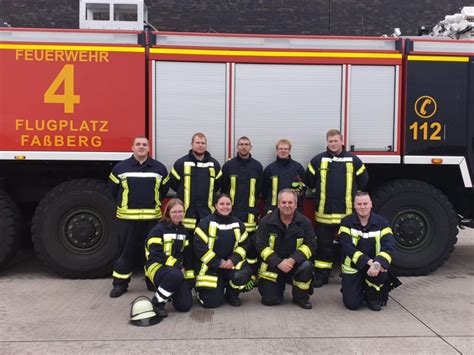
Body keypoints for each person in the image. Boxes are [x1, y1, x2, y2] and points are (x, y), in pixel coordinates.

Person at [305, 129, 369, 288]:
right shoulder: (317, 160)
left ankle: (349, 274)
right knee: (323, 247)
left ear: (342, 141)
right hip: (324, 213)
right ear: (327, 142)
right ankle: (322, 276)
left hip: (347, 215)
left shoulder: (354, 160)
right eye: (330, 141)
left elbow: (364, 182)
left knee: (347, 246)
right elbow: (310, 182)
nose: (333, 144)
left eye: (335, 141)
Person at [108, 136, 168, 298]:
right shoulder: (120, 168)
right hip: (127, 219)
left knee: (152, 253)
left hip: (152, 220)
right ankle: (120, 284)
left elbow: (163, 191)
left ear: (149, 148)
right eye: (138, 144)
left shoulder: (159, 169)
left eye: (144, 145)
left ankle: (152, 281)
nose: (141, 147)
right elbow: (113, 191)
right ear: (132, 147)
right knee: (125, 252)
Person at [255, 189, 316, 309]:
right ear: (278, 204)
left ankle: (301, 297)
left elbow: (311, 245)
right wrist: (278, 262)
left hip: (295, 264)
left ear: (296, 204)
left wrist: (292, 260)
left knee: (307, 266)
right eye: (283, 202)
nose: (287, 205)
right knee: (270, 300)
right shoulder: (265, 222)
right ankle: (277, 288)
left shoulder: (305, 222)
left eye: (290, 202)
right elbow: (260, 245)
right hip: (273, 266)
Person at [338, 192, 397, 311]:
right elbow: (347, 247)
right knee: (352, 304)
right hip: (353, 267)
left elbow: (389, 246)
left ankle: (372, 297)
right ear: (354, 206)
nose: (362, 207)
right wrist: (369, 262)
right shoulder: (346, 222)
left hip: (375, 267)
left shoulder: (382, 223)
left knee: (381, 272)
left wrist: (378, 263)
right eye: (359, 204)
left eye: (365, 203)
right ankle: (351, 287)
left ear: (371, 205)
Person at [193, 193, 252, 308]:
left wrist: (233, 260)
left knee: (243, 274)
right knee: (211, 303)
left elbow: (244, 244)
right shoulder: (205, 223)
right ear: (215, 205)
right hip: (211, 266)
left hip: (231, 265)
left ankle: (232, 294)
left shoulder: (238, 223)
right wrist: (218, 262)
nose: (225, 207)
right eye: (221, 204)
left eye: (228, 204)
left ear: (232, 205)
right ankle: (204, 291)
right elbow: (199, 247)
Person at [221, 136, 263, 275]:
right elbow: (224, 189)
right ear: (237, 147)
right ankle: (232, 272)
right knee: (230, 245)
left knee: (251, 246)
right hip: (231, 214)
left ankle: (252, 273)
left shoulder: (257, 166)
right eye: (241, 144)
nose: (244, 147)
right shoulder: (229, 166)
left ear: (251, 147)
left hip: (250, 215)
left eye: (246, 144)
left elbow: (261, 190)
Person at [144, 199, 193, 318]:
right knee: (175, 275)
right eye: (174, 212)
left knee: (185, 306)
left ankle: (169, 291)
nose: (178, 214)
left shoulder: (184, 231)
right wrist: (177, 264)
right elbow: (155, 254)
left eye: (180, 211)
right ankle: (157, 304)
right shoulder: (157, 230)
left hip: (175, 270)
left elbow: (187, 256)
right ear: (168, 213)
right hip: (156, 266)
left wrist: (190, 279)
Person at [168, 132, 222, 232]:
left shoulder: (214, 164)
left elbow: (218, 185)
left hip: (207, 213)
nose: (200, 145)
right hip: (186, 215)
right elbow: (173, 184)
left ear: (206, 145)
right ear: (192, 144)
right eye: (197, 142)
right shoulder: (180, 163)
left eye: (203, 143)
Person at [262, 139, 305, 213]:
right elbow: (264, 191)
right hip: (273, 210)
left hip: (294, 210)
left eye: (286, 149)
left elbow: (303, 189)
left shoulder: (298, 168)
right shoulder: (269, 169)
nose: (283, 151)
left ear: (289, 150)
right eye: (280, 149)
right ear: (277, 150)